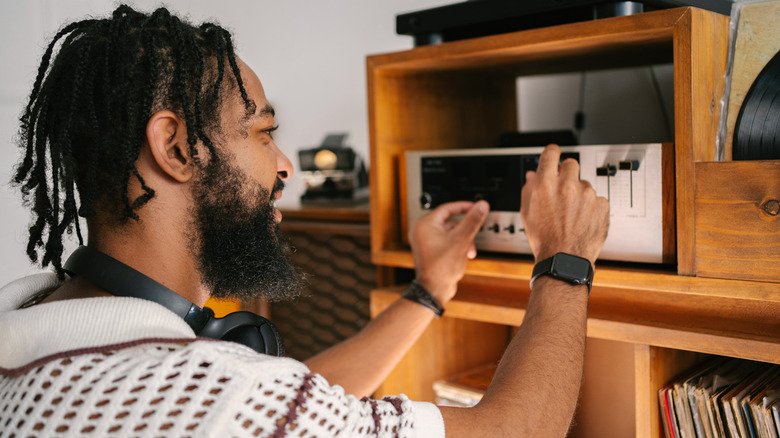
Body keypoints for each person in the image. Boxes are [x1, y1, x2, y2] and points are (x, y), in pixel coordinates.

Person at [0, 5, 609, 437]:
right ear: (177, 148)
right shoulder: (222, 398)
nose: (285, 164)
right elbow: (517, 429)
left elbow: (298, 399)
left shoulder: (29, 316)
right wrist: (565, 258)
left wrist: (429, 291)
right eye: (264, 132)